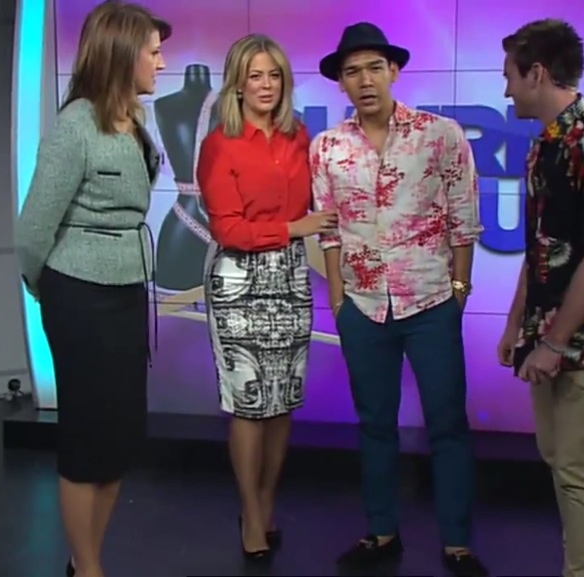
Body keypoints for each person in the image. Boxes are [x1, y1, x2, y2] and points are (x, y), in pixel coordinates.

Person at [310, 22, 489, 577]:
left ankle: (457, 542)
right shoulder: (328, 147)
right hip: (362, 306)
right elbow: (330, 231)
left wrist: (459, 291)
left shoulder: (440, 135)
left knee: (447, 423)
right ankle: (381, 531)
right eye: (352, 72)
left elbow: (464, 220)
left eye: (373, 68)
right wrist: (338, 296)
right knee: (374, 423)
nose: (364, 80)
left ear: (393, 71)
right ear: (341, 82)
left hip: (431, 302)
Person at [13, 2, 170, 576]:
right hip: (78, 295)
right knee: (87, 439)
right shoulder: (75, 126)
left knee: (118, 438)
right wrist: (51, 290)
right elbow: (32, 232)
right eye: (153, 52)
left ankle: (86, 561)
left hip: (127, 289)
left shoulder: (136, 122)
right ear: (122, 54)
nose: (161, 62)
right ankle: (88, 567)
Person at [495, 19, 584, 577]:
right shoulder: (545, 146)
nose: (506, 91)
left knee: (579, 468)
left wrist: (554, 343)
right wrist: (516, 324)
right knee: (559, 458)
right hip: (545, 336)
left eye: (509, 77)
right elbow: (542, 248)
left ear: (536, 73)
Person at [196, 34, 336, 562]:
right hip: (239, 282)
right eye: (255, 76)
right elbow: (228, 229)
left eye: (274, 75)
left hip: (291, 279)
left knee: (283, 402)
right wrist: (294, 228)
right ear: (237, 84)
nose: (266, 85)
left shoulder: (299, 137)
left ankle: (267, 501)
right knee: (249, 403)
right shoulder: (220, 145)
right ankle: (251, 514)